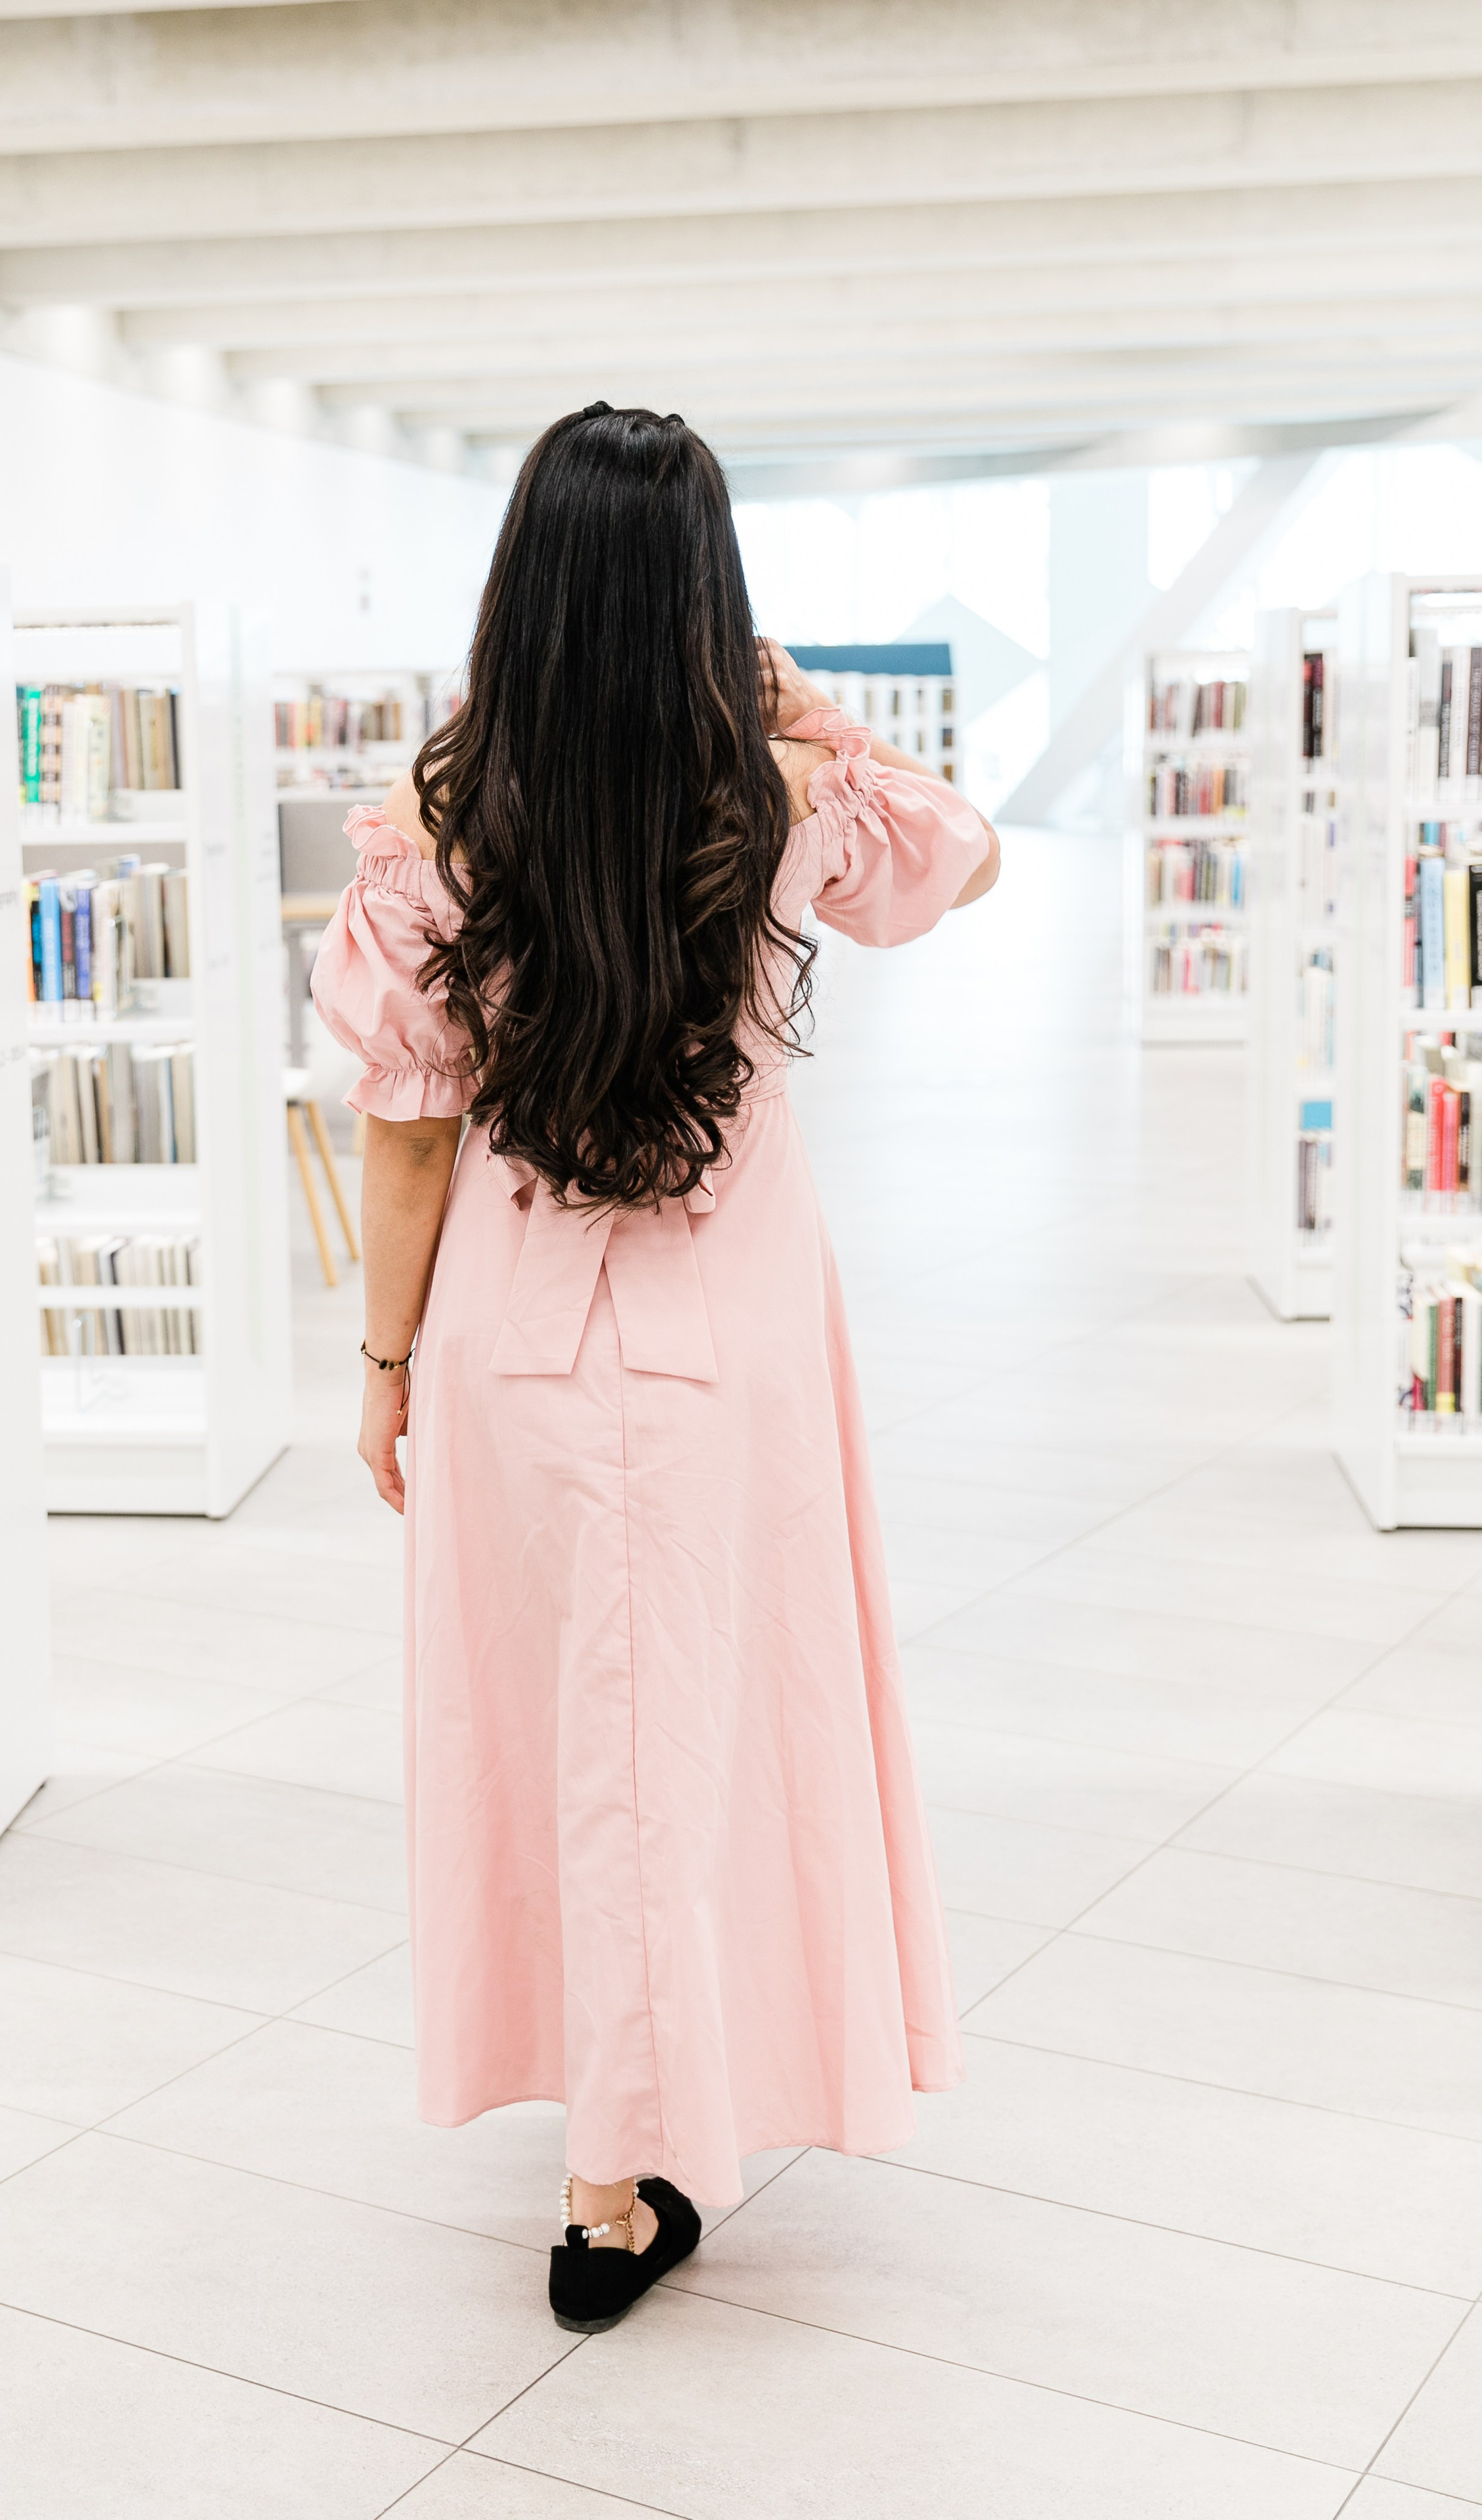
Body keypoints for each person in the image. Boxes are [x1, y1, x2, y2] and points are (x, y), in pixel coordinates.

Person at [311, 402, 1000, 2336]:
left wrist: (380, 1362)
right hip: (738, 1347)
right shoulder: (787, 799)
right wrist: (828, 717)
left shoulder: (437, 826)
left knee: (559, 1735)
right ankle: (659, 2124)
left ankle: (605, 2158)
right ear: (713, 589)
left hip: (515, 1346)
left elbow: (409, 1130)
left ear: (521, 585)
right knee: (713, 1724)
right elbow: (967, 864)